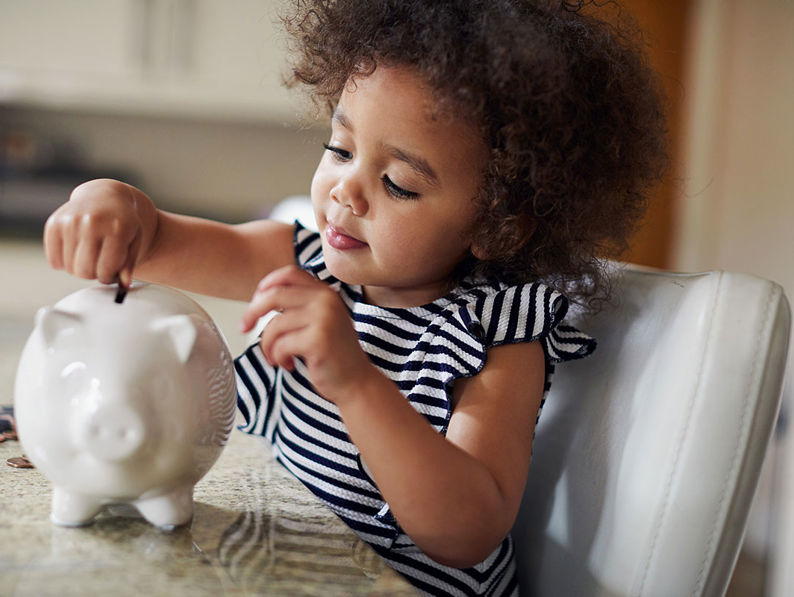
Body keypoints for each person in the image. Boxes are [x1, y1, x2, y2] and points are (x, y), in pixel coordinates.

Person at [42, 0, 668, 594]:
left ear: (495, 224)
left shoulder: (494, 334)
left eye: (397, 184)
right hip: (294, 564)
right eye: (340, 150)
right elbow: (156, 240)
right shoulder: (309, 258)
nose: (346, 191)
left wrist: (356, 380)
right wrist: (110, 201)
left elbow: (466, 531)